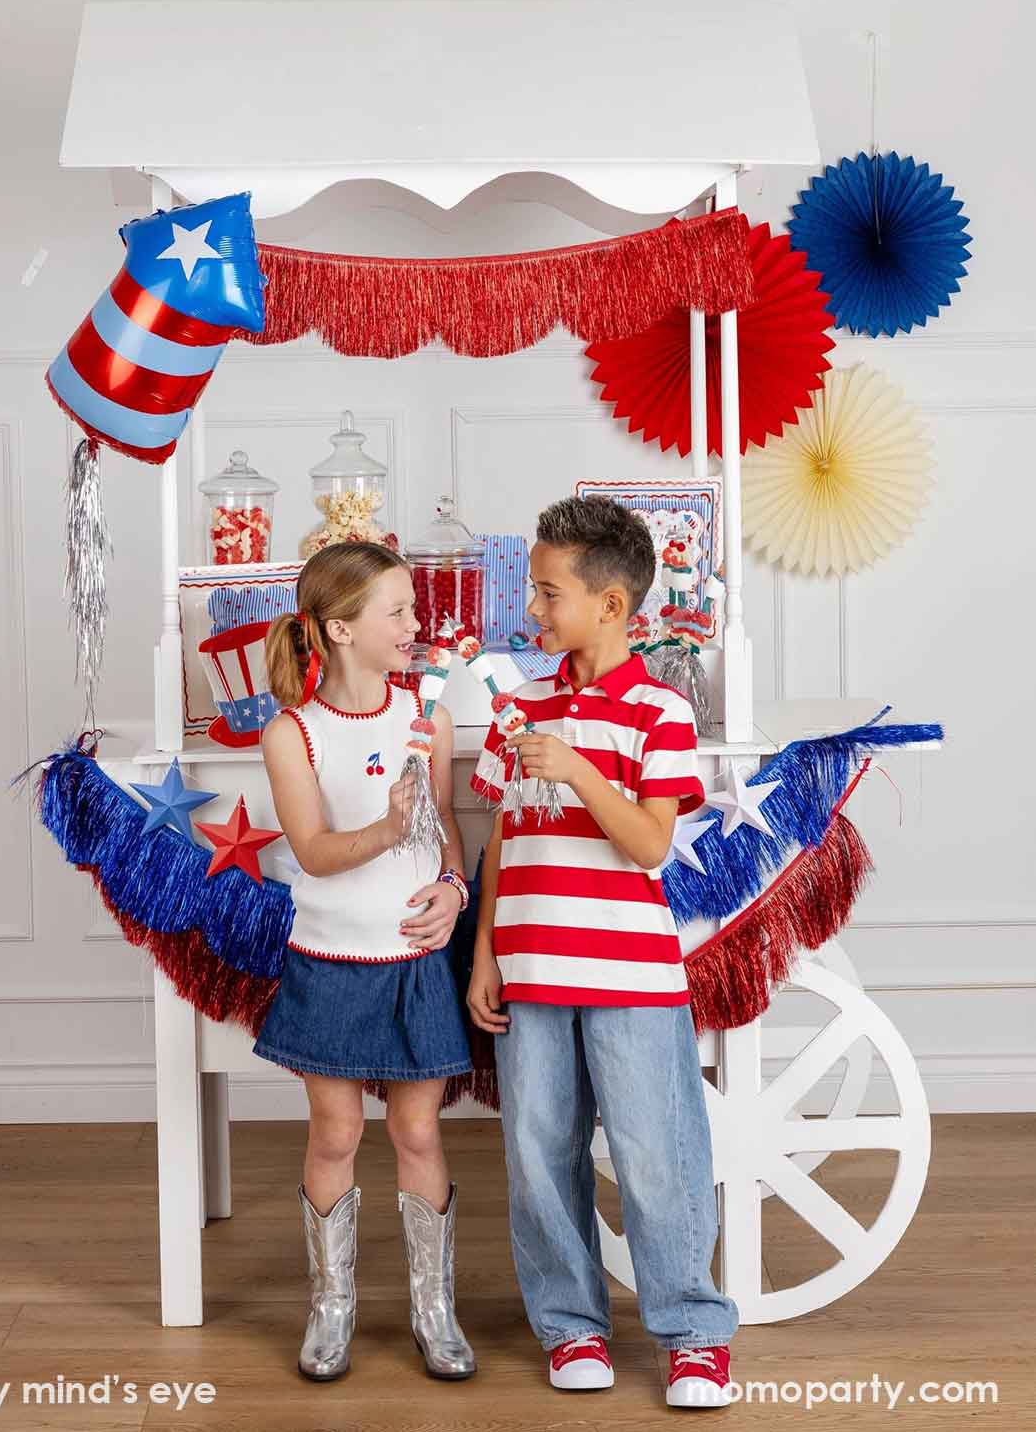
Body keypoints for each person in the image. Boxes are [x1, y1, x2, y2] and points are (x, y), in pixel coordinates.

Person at [466, 496, 739, 1410]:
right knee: (539, 1153)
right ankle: (570, 1324)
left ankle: (694, 1332)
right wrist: (484, 956)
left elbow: (652, 846)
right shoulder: (520, 708)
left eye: (548, 594)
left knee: (657, 1152)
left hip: (629, 976)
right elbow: (504, 836)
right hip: (532, 971)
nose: (534, 611)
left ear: (613, 605)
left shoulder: (659, 713)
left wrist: (580, 767)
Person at [254, 541, 476, 1383]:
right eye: (399, 613)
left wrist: (453, 887)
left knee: (416, 1128)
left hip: (414, 963)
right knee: (337, 1131)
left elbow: (448, 829)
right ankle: (332, 1307)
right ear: (340, 630)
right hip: (332, 963)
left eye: (414, 610)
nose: (416, 626)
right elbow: (311, 851)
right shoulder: (293, 734)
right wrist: (386, 830)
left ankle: (433, 1310)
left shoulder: (428, 719)